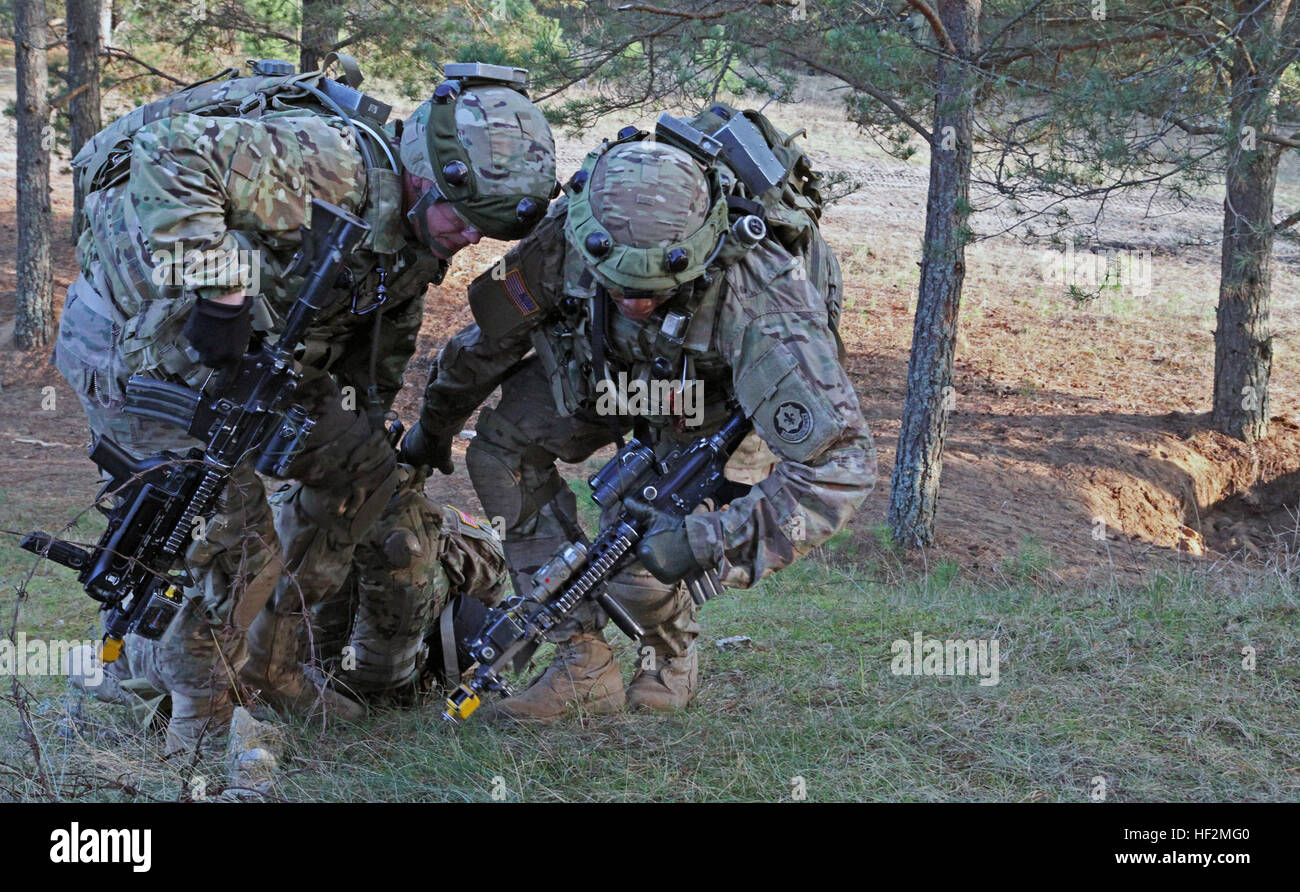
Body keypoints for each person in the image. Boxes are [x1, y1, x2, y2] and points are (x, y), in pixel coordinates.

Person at [52, 59, 556, 751]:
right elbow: (168, 150)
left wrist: (366, 419)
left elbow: (378, 331)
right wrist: (223, 289)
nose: (470, 239)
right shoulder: (331, 165)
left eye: (485, 231)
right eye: (463, 218)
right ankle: (204, 717)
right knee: (230, 538)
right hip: (135, 349)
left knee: (363, 480)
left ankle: (274, 660)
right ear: (426, 174)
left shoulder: (420, 226)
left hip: (255, 359)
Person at [398, 128, 875, 722]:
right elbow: (487, 344)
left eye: (654, 290)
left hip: (714, 402)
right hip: (611, 369)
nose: (637, 300)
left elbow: (842, 467)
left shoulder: (763, 298)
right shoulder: (568, 237)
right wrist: (434, 428)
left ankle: (667, 653)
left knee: (640, 551)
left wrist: (707, 539)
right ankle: (581, 663)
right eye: (619, 285)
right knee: (499, 453)